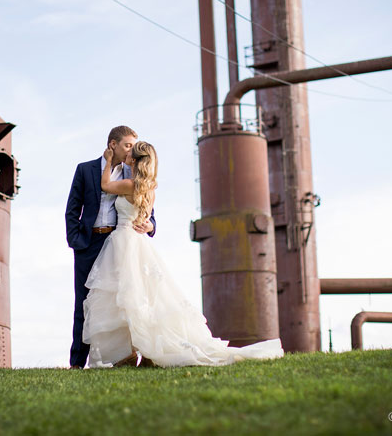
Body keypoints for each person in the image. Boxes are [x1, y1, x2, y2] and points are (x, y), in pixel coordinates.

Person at [82, 141, 284, 367]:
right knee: (144, 298)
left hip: (125, 243)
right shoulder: (149, 189)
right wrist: (148, 226)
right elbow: (144, 217)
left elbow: (106, 185)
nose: (128, 154)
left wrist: (108, 160)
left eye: (132, 153)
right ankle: (144, 352)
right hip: (137, 243)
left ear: (137, 161)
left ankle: (134, 352)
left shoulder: (129, 184)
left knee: (129, 298)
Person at [65, 126, 156, 369]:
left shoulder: (134, 174)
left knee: (124, 299)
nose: (132, 149)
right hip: (88, 243)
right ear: (112, 145)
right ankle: (77, 363)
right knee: (84, 302)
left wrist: (150, 226)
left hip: (118, 243)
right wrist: (75, 240)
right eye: (128, 145)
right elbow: (73, 208)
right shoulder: (85, 169)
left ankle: (125, 355)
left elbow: (148, 211)